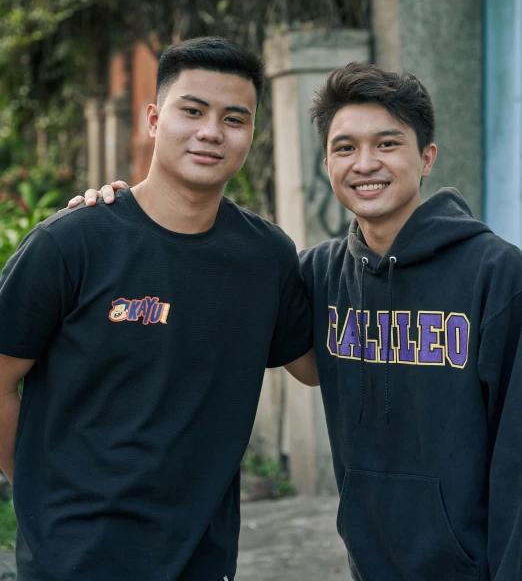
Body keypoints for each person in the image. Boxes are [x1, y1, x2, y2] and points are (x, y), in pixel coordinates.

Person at [88, 62, 522, 581]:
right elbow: (204, 290)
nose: (365, 164)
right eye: (345, 148)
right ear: (326, 162)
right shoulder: (317, 275)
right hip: (369, 560)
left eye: (387, 144)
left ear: (426, 158)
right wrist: (117, 217)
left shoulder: (495, 274)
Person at [0, 37, 315, 581]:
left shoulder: (266, 258)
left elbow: (316, 367)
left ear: (251, 136)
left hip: (202, 557)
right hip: (73, 559)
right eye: (191, 111)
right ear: (153, 118)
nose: (211, 131)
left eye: (233, 119)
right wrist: (37, 492)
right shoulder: (71, 244)